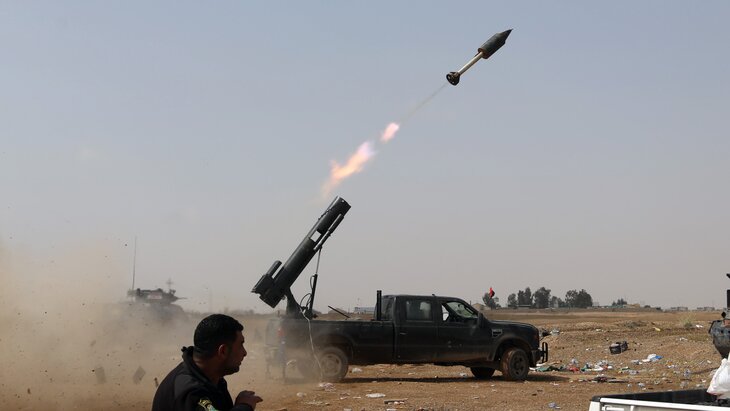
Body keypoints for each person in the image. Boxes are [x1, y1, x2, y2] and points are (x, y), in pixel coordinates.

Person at [152, 314, 263, 411]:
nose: (244, 353)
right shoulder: (191, 392)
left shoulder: (212, 378)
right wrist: (244, 406)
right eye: (241, 345)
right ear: (223, 351)